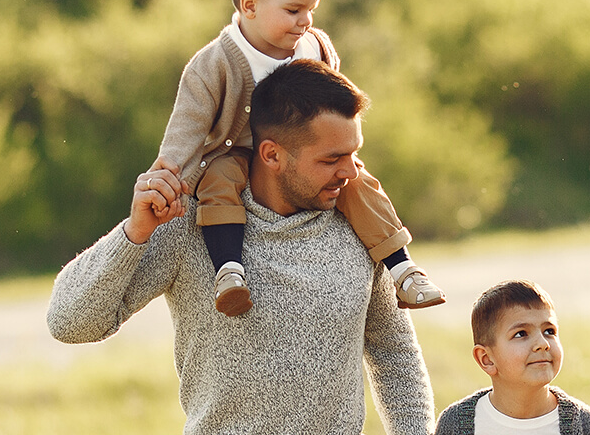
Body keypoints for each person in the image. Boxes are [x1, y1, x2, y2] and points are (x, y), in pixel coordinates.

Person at [49, 59, 434, 434]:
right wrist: (134, 233)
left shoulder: (359, 227)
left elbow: (395, 354)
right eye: (332, 159)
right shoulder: (188, 225)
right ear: (272, 155)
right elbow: (69, 323)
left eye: (354, 154)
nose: (351, 172)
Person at [149, 0, 444, 318]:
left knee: (358, 181)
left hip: (302, 153)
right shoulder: (214, 64)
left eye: (311, 10)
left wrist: (340, 151)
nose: (305, 21)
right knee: (218, 181)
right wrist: (167, 177)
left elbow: (333, 100)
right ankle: (229, 271)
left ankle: (403, 270)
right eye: (293, 10)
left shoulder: (315, 47)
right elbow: (187, 128)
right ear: (250, 5)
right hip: (237, 153)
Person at [437, 280, 590, 435]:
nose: (542, 343)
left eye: (549, 331)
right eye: (521, 334)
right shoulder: (454, 424)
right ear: (486, 359)